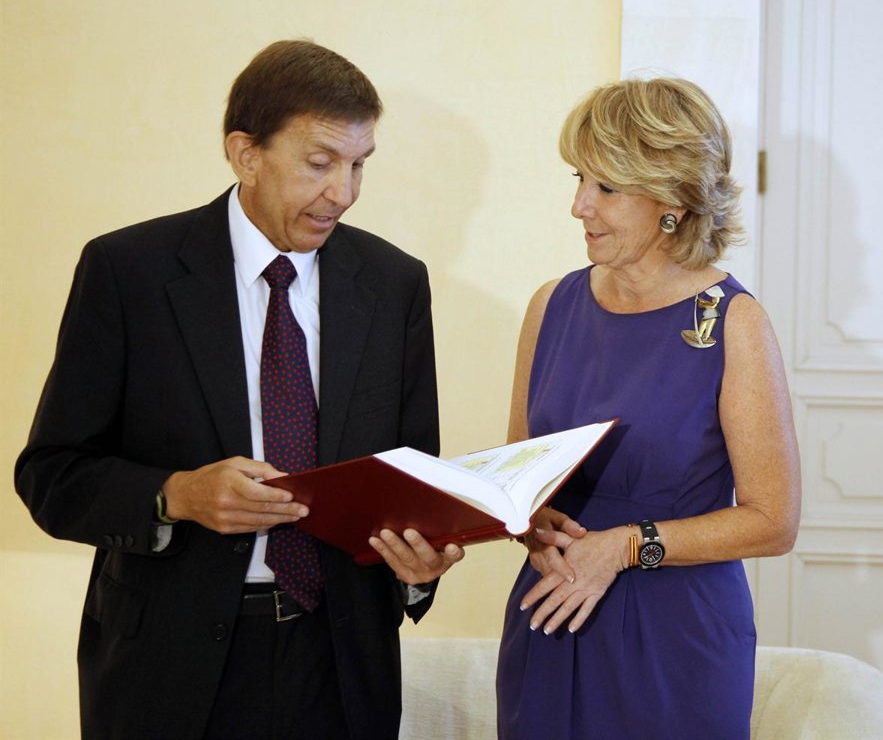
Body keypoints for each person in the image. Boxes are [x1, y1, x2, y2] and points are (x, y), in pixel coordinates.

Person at [15, 40, 464, 739]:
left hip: (342, 667)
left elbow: (410, 477)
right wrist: (177, 494)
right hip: (166, 670)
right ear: (246, 154)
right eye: (320, 163)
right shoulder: (128, 272)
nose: (343, 193)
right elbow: (52, 475)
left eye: (358, 165)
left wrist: (419, 565)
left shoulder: (394, 284)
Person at [495, 78, 802, 739]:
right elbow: (518, 480)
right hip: (550, 618)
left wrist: (627, 547)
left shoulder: (733, 322)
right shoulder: (550, 306)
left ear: (673, 199)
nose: (579, 205)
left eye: (606, 187)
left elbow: (773, 523)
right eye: (580, 179)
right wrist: (532, 526)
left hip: (675, 640)